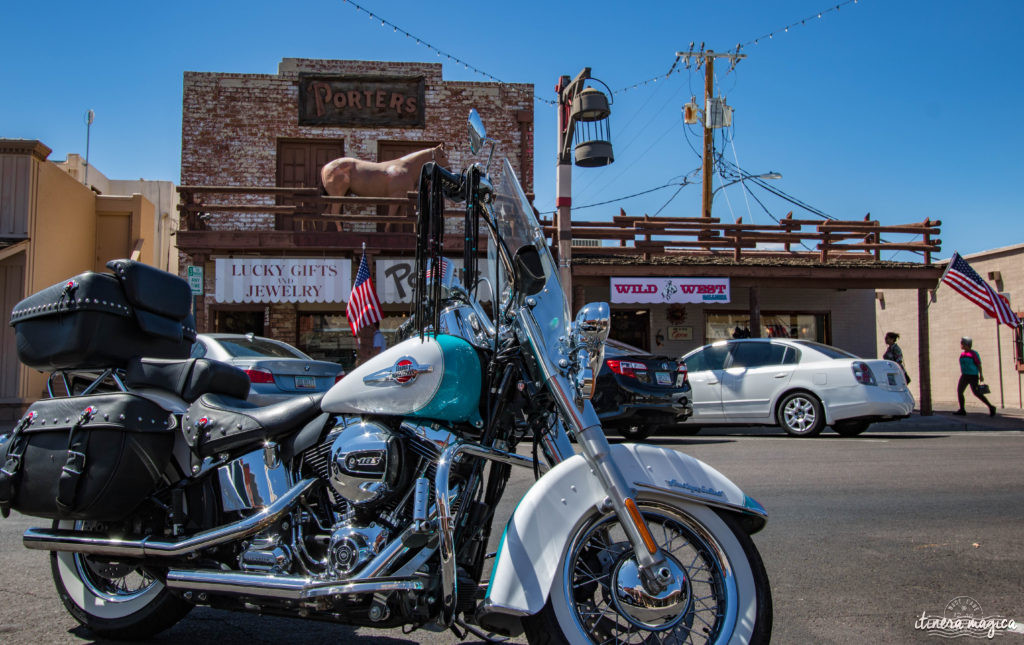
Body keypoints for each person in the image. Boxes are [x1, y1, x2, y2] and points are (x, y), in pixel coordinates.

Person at [954, 337, 996, 417]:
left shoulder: (973, 353)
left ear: (966, 344)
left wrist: (981, 375)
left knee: (976, 393)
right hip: (964, 375)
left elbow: (979, 364)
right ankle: (962, 409)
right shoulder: (962, 354)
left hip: (973, 376)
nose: (961, 345)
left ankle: (991, 407)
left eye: (962, 343)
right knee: (959, 391)